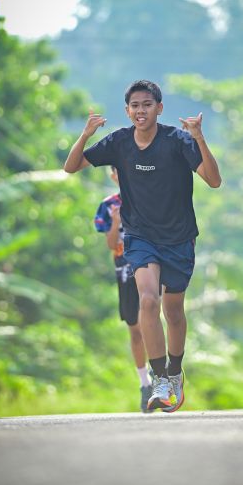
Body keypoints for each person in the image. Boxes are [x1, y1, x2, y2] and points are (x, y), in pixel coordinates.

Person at [65, 79, 221, 411]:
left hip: (178, 236)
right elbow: (71, 166)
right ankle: (159, 378)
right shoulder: (119, 142)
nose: (141, 111)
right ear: (127, 110)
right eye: (135, 106)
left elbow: (213, 180)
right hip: (139, 237)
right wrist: (86, 134)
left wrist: (199, 138)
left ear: (159, 108)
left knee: (173, 311)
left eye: (147, 104)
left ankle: (175, 373)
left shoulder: (177, 140)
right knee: (148, 301)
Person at [94, 166, 153, 413]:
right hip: (124, 271)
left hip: (149, 266)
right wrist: (117, 221)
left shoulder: (149, 196)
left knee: (150, 315)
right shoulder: (108, 206)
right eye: (119, 170)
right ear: (113, 175)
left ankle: (160, 371)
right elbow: (110, 244)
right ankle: (145, 382)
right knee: (135, 329)